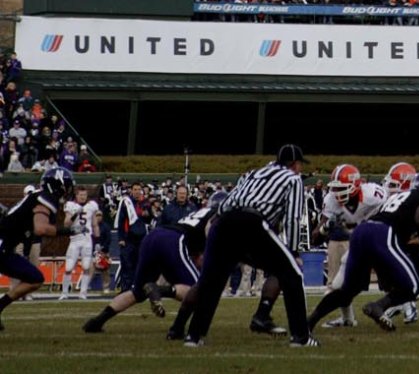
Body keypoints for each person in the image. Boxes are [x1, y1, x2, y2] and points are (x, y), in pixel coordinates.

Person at [183, 144, 314, 348]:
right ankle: (301, 337)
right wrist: (294, 250)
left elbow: (227, 202)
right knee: (293, 274)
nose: (300, 169)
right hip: (252, 223)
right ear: (294, 164)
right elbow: (294, 217)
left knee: (211, 281)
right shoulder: (292, 178)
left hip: (223, 221)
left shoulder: (254, 173)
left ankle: (193, 336)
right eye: (300, 165)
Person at [306, 172, 419, 333]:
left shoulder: (399, 197)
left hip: (362, 233)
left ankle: (308, 323)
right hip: (382, 235)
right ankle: (378, 306)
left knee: (347, 291)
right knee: (415, 288)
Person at [83, 192, 223, 334]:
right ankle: (164, 301)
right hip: (173, 240)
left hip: (153, 237)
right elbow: (208, 230)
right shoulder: (217, 215)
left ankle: (97, 321)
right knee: (198, 291)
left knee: (137, 292)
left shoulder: (198, 212)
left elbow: (196, 254)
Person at [0, 167, 73, 329]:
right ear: (59, 185)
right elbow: (40, 228)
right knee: (35, 278)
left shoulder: (37, 196)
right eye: (67, 186)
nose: (68, 190)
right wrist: (68, 231)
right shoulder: (45, 197)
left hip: (6, 248)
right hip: (2, 246)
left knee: (35, 278)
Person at [316, 163, 387, 328]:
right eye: (335, 188)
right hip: (358, 244)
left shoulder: (373, 194)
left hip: (379, 238)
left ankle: (404, 307)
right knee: (338, 285)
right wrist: (325, 228)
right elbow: (316, 238)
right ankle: (347, 319)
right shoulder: (331, 201)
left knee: (390, 275)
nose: (336, 193)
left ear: (355, 186)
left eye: (341, 188)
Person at [61, 184, 101, 298]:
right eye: (81, 195)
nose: (83, 197)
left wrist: (98, 241)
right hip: (74, 240)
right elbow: (66, 224)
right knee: (68, 267)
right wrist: (75, 214)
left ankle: (83, 293)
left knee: (86, 267)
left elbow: (95, 224)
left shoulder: (91, 205)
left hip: (87, 240)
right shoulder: (71, 205)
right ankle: (64, 293)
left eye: (85, 195)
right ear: (76, 195)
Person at [113, 182, 151, 292]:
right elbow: (121, 221)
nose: (137, 191)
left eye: (139, 189)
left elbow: (150, 220)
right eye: (135, 189)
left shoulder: (146, 203)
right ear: (132, 191)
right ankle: (126, 290)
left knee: (140, 265)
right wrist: (121, 238)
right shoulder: (126, 202)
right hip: (128, 239)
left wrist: (148, 214)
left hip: (142, 239)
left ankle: (138, 289)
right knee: (127, 265)